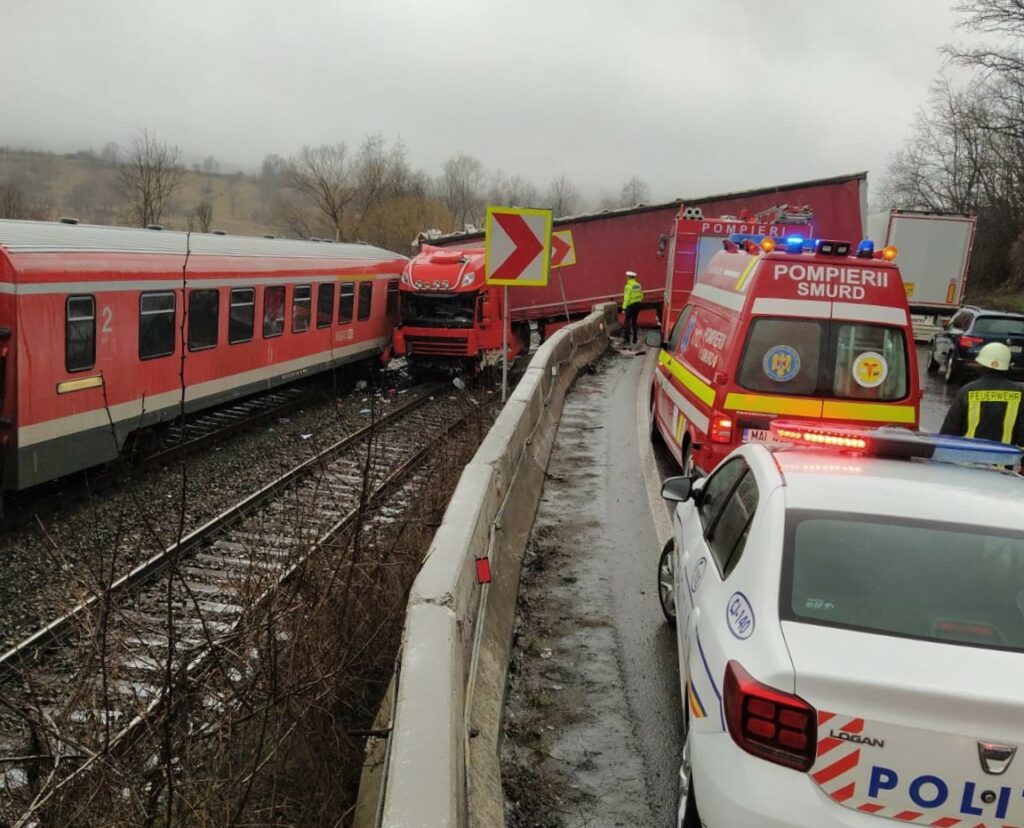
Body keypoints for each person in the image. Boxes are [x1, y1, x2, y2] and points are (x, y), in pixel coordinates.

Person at [940, 342, 1024, 445]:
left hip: (967, 458)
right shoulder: (1020, 392)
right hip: (1005, 459)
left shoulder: (967, 391)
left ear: (981, 365)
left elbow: (949, 431)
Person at [621, 270, 643, 345]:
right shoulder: (638, 285)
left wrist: (624, 308)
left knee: (627, 322)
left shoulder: (628, 286)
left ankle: (627, 339)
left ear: (628, 277)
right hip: (638, 304)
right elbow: (641, 295)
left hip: (630, 306)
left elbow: (626, 298)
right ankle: (635, 338)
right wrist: (638, 301)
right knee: (634, 321)